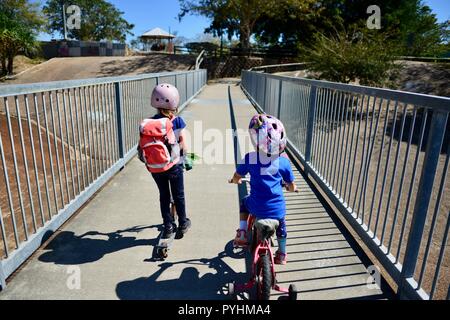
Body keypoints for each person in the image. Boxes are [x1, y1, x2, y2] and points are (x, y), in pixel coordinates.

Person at [229, 114, 297, 265]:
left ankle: (242, 232)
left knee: (244, 202)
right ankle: (282, 254)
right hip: (277, 210)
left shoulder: (250, 158)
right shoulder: (283, 162)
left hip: (256, 206)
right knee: (281, 225)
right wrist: (292, 188)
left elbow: (237, 175)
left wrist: (235, 180)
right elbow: (291, 186)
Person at [139, 83, 191, 239]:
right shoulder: (177, 121)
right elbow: (184, 145)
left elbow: (141, 147)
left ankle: (168, 225)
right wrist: (184, 157)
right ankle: (183, 222)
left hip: (155, 167)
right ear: (174, 102)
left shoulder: (148, 123)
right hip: (174, 166)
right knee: (178, 195)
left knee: (164, 195)